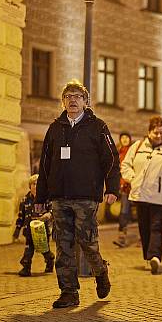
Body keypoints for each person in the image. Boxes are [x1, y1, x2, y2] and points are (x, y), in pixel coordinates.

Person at [35, 80, 120, 308]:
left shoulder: (98, 127)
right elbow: (44, 165)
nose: (72, 100)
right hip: (59, 197)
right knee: (63, 245)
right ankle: (69, 291)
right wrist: (40, 197)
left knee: (87, 242)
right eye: (68, 96)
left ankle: (100, 271)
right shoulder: (55, 128)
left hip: (86, 196)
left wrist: (112, 188)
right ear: (63, 101)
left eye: (77, 96)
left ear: (85, 101)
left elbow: (111, 160)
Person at [121, 116, 162, 275]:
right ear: (149, 132)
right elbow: (125, 165)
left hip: (159, 197)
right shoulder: (137, 146)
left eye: (161, 133)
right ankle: (147, 258)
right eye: (155, 133)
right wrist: (133, 179)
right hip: (140, 194)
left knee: (156, 226)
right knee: (144, 227)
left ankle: (155, 257)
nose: (158, 136)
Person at [13, 174, 54, 276]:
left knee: (44, 249)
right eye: (33, 184)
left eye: (38, 184)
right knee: (29, 249)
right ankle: (26, 268)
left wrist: (48, 215)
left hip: (42, 231)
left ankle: (50, 259)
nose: (36, 186)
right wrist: (17, 230)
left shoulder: (46, 198)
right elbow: (21, 216)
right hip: (29, 231)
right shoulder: (25, 200)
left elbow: (52, 211)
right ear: (30, 186)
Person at [114, 131, 135, 248]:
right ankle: (122, 237)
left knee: (142, 212)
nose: (125, 139)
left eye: (127, 137)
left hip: (135, 186)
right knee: (124, 211)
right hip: (124, 187)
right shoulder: (118, 153)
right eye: (123, 138)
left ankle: (144, 238)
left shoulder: (134, 152)